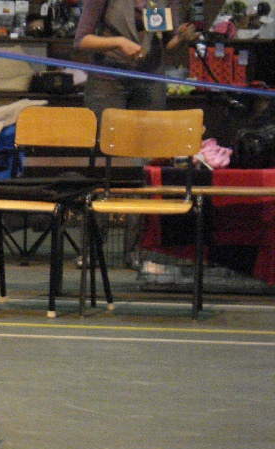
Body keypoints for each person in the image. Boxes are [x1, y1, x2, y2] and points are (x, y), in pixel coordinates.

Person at [74, 0, 200, 269]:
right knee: (103, 162)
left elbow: (167, 42)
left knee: (143, 164)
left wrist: (182, 37)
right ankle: (93, 248)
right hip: (108, 81)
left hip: (149, 82)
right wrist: (118, 42)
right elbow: (81, 39)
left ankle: (134, 251)